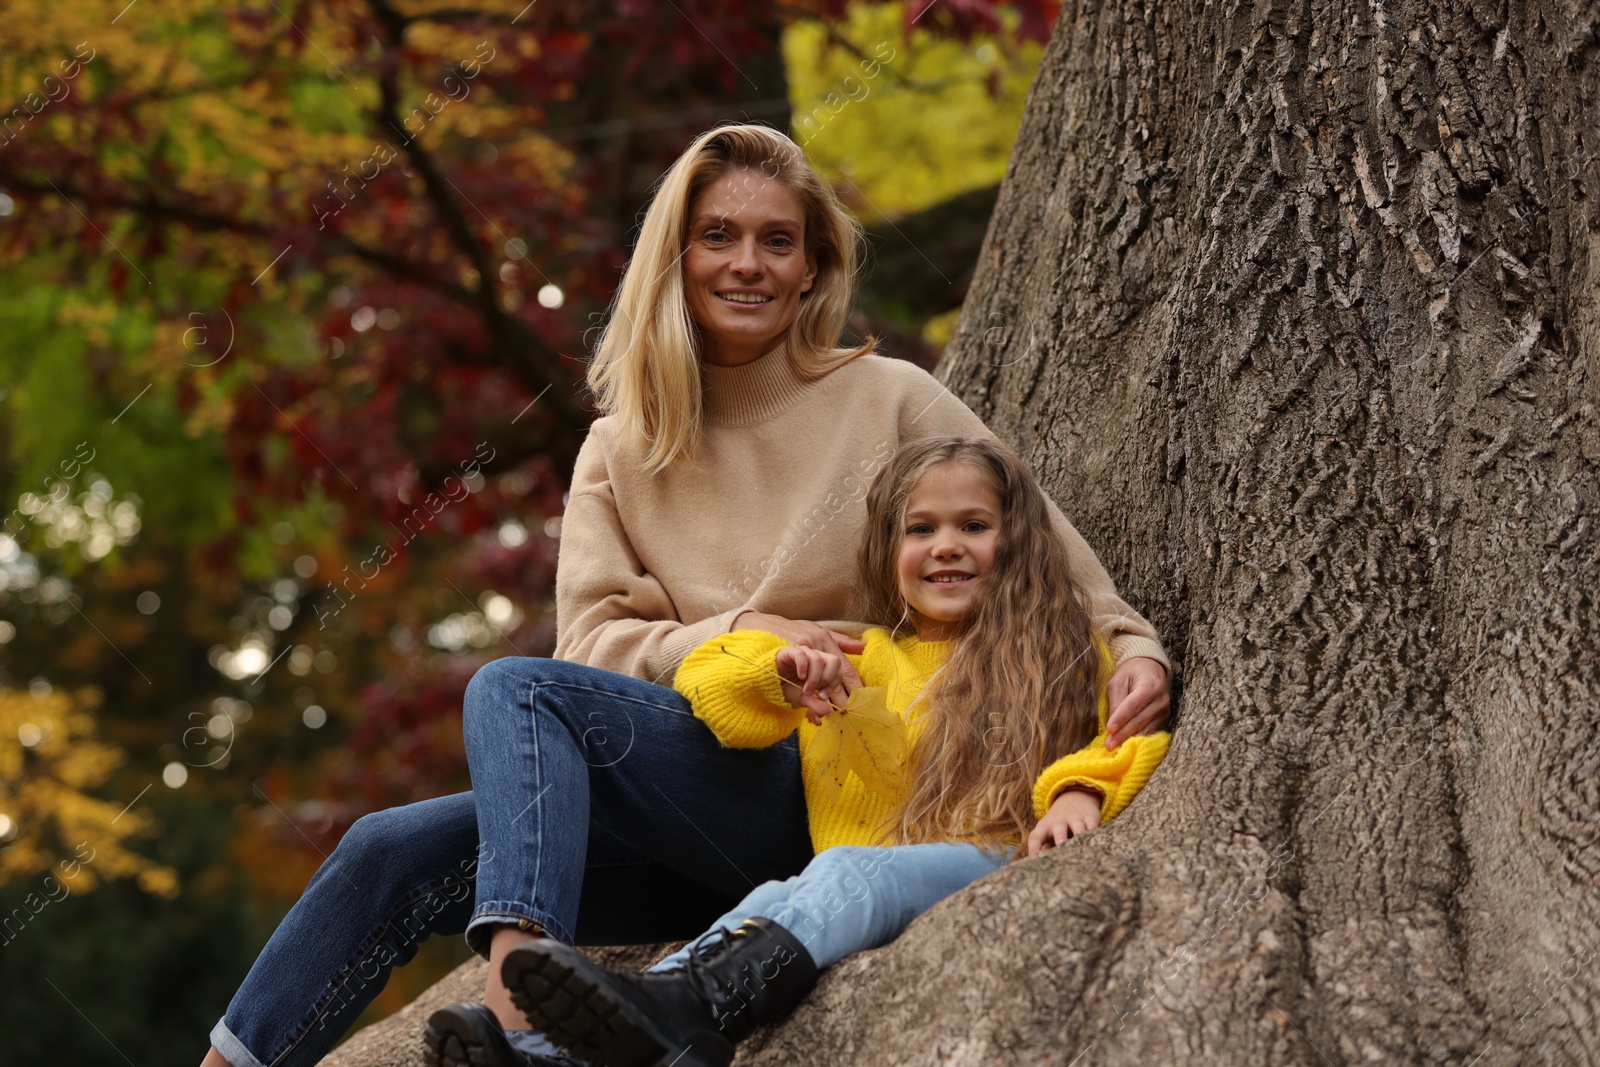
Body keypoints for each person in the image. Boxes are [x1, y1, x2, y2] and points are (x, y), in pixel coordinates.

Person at [200, 123, 1173, 1067]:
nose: (746, 263)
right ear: (676, 255)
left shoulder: (890, 398)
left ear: (811, 268)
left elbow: (1044, 553)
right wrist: (736, 628)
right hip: (691, 791)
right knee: (391, 845)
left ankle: (515, 1000)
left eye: (775, 240)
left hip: (845, 773)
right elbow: (593, 645)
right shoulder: (621, 447)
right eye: (718, 235)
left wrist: (1132, 650)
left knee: (514, 689)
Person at [497, 436, 1171, 1067]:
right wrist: (779, 674)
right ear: (885, 549)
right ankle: (568, 1045)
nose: (946, 546)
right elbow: (711, 685)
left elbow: (1129, 735)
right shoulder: (864, 656)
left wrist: (1077, 791)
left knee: (850, 870)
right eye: (921, 528)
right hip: (864, 874)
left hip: (996, 857)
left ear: (1018, 540)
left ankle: (691, 1008)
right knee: (774, 897)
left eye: (974, 525)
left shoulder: (1065, 648)